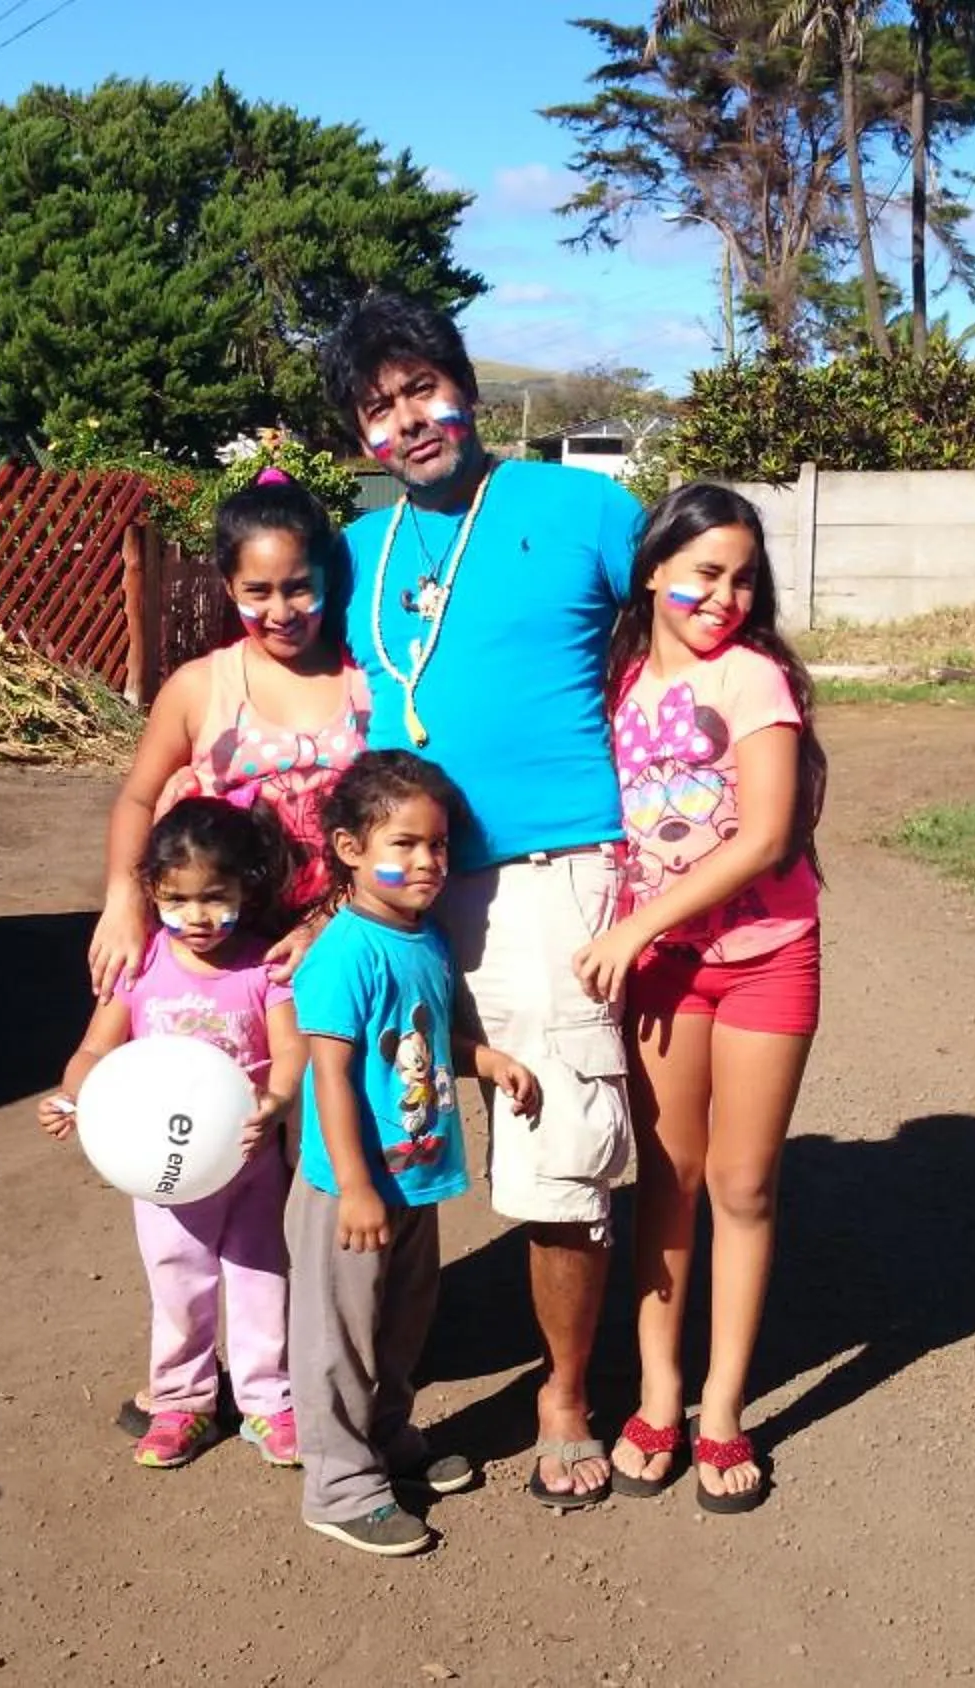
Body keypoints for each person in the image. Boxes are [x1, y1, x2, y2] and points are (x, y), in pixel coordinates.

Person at [316, 292, 645, 1509]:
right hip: (389, 892)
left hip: (542, 875)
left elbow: (685, 630)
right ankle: (364, 1393)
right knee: (378, 1140)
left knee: (557, 1146)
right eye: (379, 406)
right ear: (362, 435)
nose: (409, 420)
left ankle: (563, 1394)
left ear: (466, 384)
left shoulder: (586, 510)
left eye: (421, 388)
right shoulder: (357, 545)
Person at [574, 484, 828, 1516]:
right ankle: (659, 1390)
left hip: (767, 954)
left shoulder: (754, 678)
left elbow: (767, 835)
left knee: (744, 1181)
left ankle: (723, 1404)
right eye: (704, 572)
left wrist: (634, 925)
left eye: (742, 576)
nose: (724, 594)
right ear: (653, 571)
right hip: (669, 971)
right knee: (667, 1179)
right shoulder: (615, 680)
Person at [290, 752, 540, 1555]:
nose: (427, 862)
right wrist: (357, 1186)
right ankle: (337, 1483)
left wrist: (483, 1059)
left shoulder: (424, 940)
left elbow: (425, 1045)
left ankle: (386, 1438)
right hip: (348, 1188)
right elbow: (329, 1078)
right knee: (340, 1335)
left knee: (401, 1323)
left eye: (437, 846)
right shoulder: (344, 954)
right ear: (349, 848)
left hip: (415, 1177)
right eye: (403, 845)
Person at [43, 798, 307, 1470]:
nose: (196, 916)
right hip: (164, 1172)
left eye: (214, 897)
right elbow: (94, 1052)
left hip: (250, 1161)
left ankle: (266, 1401)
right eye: (177, 899)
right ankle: (181, 1401)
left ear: (248, 886)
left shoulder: (262, 968)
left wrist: (276, 1102)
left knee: (260, 1278)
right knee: (177, 1283)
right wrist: (75, 1097)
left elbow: (292, 1049)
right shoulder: (140, 968)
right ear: (154, 893)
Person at [89, 471, 368, 1001]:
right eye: (257, 592)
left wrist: (329, 921)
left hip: (343, 943)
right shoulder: (197, 687)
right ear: (228, 587)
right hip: (223, 963)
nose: (280, 612)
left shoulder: (369, 685)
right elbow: (138, 798)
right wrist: (123, 900)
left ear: (326, 580)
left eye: (299, 588)